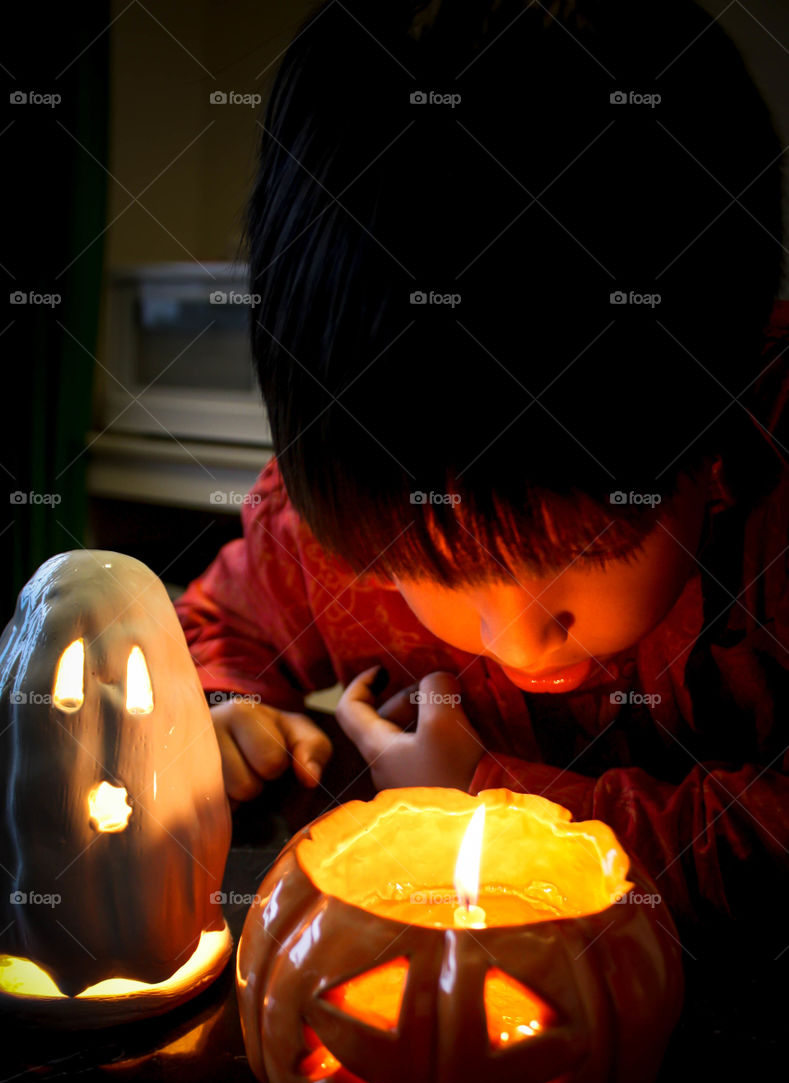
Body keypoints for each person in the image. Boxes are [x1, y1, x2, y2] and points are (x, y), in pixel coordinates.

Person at [175, 0, 789, 932]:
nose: (515, 638)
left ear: (709, 437)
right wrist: (227, 713)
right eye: (431, 567)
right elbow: (216, 623)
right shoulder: (354, 514)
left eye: (584, 541)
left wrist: (481, 798)